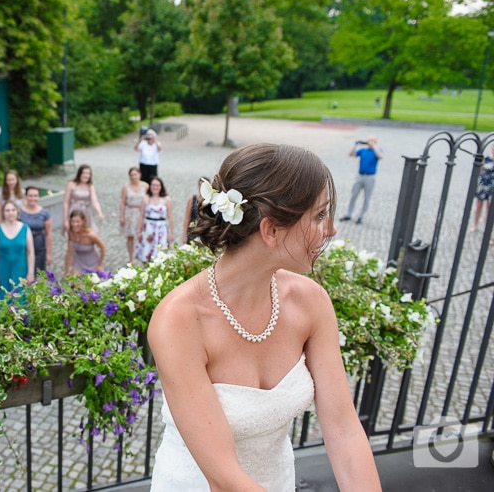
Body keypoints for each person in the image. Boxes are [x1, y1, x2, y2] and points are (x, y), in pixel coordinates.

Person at [148, 144, 381, 491]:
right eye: (318, 216)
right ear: (271, 230)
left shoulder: (310, 301)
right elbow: (223, 477)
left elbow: (343, 428)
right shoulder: (178, 321)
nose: (330, 230)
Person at [0, 201, 35, 300]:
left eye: (13, 210)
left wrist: (30, 273)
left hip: (21, 270)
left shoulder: (25, 228)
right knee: (2, 300)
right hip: (2, 271)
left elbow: (30, 252)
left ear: (17, 212)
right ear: (3, 213)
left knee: (21, 300)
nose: (10, 213)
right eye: (7, 210)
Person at [339, 135, 383, 225]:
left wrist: (374, 146)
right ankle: (348, 214)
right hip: (360, 176)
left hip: (370, 177)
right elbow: (351, 154)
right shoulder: (363, 150)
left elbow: (380, 156)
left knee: (367, 198)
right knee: (354, 195)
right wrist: (356, 145)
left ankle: (361, 216)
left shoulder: (377, 151)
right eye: (369, 141)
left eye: (372, 141)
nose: (370, 142)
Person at [135, 176, 174, 265]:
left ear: (161, 187)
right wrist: (138, 231)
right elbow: (141, 215)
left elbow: (170, 217)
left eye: (157, 185)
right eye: (153, 185)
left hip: (161, 229)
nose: (155, 187)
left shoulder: (166, 199)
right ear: (150, 186)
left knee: (161, 251)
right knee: (146, 250)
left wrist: (171, 233)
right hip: (148, 228)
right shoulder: (146, 198)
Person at [63, 164, 104, 234]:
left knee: (86, 232)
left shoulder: (90, 186)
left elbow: (95, 201)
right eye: (84, 173)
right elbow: (66, 203)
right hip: (73, 210)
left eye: (88, 173)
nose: (86, 175)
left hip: (85, 212)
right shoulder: (71, 184)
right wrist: (65, 219)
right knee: (73, 233)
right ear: (80, 174)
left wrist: (99, 212)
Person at [119, 167, 149, 265]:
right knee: (130, 236)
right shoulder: (126, 187)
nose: (134, 177)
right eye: (132, 175)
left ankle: (143, 255)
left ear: (139, 175)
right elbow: (122, 202)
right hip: (130, 213)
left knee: (143, 235)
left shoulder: (145, 186)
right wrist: (121, 216)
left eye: (135, 174)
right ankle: (131, 258)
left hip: (142, 212)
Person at [21, 186, 53, 272]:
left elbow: (48, 234)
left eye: (35, 196)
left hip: (39, 245)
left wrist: (49, 253)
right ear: (26, 196)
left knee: (38, 272)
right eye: (30, 196)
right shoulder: (19, 212)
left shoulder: (45, 213)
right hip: (23, 246)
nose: (33, 198)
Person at [65, 210, 106, 276]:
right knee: (74, 283)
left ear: (83, 221)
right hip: (78, 262)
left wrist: (100, 264)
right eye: (73, 221)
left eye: (77, 221)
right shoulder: (71, 232)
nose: (75, 224)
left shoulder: (91, 235)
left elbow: (103, 248)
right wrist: (66, 272)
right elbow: (69, 251)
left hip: (92, 263)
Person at [469, 145, 494, 233]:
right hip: (483, 184)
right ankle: (475, 224)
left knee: (490, 208)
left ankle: (488, 229)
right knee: (479, 205)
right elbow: (480, 170)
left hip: (492, 186)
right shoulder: (486, 158)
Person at [181, 178, 205, 245]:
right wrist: (184, 235)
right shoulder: (192, 199)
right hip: (192, 230)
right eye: (200, 185)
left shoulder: (210, 201)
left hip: (204, 231)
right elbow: (187, 218)